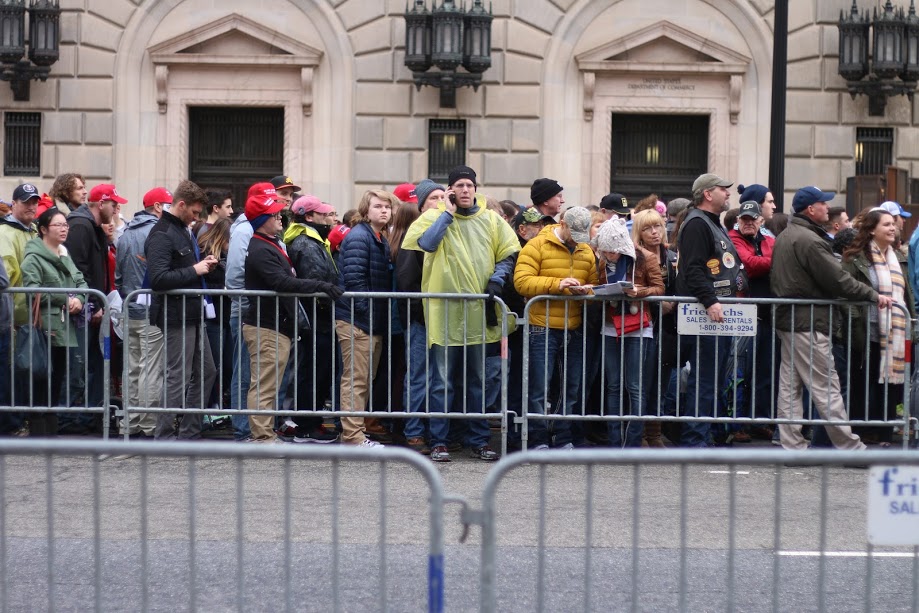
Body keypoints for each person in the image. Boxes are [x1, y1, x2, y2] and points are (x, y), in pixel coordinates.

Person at [402, 165, 519, 462]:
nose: (465, 190)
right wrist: (447, 214)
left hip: (478, 313)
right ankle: (439, 440)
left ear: (476, 189)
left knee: (478, 382)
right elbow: (426, 244)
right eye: (459, 186)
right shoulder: (433, 217)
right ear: (451, 190)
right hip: (443, 314)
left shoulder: (491, 219)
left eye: (469, 185)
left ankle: (479, 440)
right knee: (442, 382)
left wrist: (497, 279)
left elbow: (508, 254)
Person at [770, 186, 884, 451]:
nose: (828, 208)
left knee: (790, 386)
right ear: (811, 209)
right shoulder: (810, 240)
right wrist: (873, 294)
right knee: (826, 387)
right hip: (808, 322)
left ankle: (792, 446)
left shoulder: (788, 235)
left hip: (791, 320)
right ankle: (851, 449)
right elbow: (838, 280)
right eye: (824, 203)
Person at [243, 191, 343, 443]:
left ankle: (265, 435)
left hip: (277, 324)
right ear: (261, 220)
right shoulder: (260, 247)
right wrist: (320, 286)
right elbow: (281, 282)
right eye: (273, 214)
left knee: (270, 384)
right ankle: (262, 437)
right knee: (265, 385)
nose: (280, 217)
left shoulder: (271, 243)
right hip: (266, 325)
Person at [513, 206, 597, 450]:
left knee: (570, 387)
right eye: (574, 234)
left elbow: (595, 283)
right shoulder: (537, 245)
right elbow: (521, 282)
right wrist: (557, 284)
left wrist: (587, 290)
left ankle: (562, 437)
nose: (578, 241)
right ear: (563, 224)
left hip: (573, 326)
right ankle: (537, 438)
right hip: (542, 326)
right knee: (539, 387)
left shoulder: (585, 250)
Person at [674, 173, 747, 447]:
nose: (728, 193)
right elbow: (693, 269)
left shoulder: (711, 222)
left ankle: (703, 435)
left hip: (717, 314)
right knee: (704, 379)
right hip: (707, 314)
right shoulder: (697, 224)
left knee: (712, 379)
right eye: (722, 189)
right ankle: (695, 439)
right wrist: (710, 300)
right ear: (707, 194)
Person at [145, 180, 218, 440]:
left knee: (207, 371)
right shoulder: (162, 233)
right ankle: (164, 436)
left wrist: (201, 266)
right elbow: (158, 279)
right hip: (177, 315)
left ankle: (188, 433)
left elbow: (175, 271)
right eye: (195, 212)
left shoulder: (179, 230)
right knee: (178, 375)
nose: (197, 217)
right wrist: (195, 270)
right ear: (182, 205)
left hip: (191, 312)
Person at [841, 208, 913, 447]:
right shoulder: (855, 257)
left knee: (891, 385)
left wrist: (913, 325)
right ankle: (862, 431)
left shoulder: (899, 257)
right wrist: (853, 320)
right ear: (872, 230)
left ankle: (884, 433)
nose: (893, 228)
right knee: (863, 383)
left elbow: (907, 295)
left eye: (893, 224)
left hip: (896, 331)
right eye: (886, 224)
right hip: (865, 331)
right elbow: (846, 291)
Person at [596, 217, 664, 447]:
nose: (610, 255)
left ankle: (633, 441)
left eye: (614, 251)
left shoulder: (646, 257)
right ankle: (615, 441)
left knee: (635, 386)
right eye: (606, 251)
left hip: (638, 326)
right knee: (613, 385)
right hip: (610, 325)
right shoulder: (602, 261)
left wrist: (639, 291)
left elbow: (660, 288)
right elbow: (597, 283)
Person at [19, 209, 88, 436]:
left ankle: (50, 432)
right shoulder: (33, 257)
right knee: (42, 379)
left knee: (57, 379)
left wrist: (79, 299)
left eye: (65, 224)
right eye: (58, 225)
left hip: (64, 326)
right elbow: (32, 290)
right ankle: (39, 432)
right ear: (43, 229)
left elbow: (81, 282)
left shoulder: (64, 253)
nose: (64, 228)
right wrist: (65, 298)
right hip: (44, 327)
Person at [334, 190, 394, 447]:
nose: (384, 210)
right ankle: (353, 436)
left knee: (362, 380)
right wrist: (367, 314)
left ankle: (354, 433)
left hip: (368, 321)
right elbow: (355, 280)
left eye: (387, 207)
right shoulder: (360, 237)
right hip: (357, 321)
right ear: (366, 211)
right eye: (378, 206)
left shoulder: (378, 237)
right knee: (356, 380)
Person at [281, 194, 342, 443]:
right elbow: (317, 280)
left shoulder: (312, 239)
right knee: (314, 371)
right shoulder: (305, 243)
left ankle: (311, 422)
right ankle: (308, 425)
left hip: (319, 317)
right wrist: (328, 302)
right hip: (316, 317)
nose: (329, 219)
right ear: (309, 216)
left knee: (318, 370)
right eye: (324, 214)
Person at [65, 183, 123, 427]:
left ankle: (88, 415)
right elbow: (78, 268)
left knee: (95, 363)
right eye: (113, 204)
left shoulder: (92, 226)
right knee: (78, 365)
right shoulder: (81, 225)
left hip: (93, 306)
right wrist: (93, 303)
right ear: (101, 204)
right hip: (83, 309)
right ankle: (69, 418)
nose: (117, 208)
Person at [116, 187, 171, 438]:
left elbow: (118, 278)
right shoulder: (157, 232)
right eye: (168, 204)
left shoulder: (126, 233)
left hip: (130, 309)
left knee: (132, 370)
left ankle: (130, 423)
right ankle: (148, 426)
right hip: (150, 312)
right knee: (150, 369)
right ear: (158, 206)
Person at [225, 182, 278, 441]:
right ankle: (243, 429)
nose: (283, 202)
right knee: (245, 372)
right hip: (248, 312)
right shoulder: (245, 230)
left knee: (258, 373)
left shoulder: (265, 228)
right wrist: (249, 305)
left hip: (263, 313)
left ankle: (257, 428)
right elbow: (235, 275)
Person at [631, 209, 677, 447]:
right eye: (647, 228)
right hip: (642, 323)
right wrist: (659, 303)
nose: (654, 232)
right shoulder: (634, 256)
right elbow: (632, 288)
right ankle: (638, 434)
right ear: (639, 232)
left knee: (661, 382)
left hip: (668, 327)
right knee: (641, 382)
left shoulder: (672, 255)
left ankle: (654, 434)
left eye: (657, 226)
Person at [0, 184, 39, 434]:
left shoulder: (33, 230)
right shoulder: (5, 233)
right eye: (26, 202)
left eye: (34, 202)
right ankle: (12, 423)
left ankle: (21, 420)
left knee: (25, 371)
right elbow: (6, 278)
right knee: (12, 372)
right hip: (14, 318)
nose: (32, 206)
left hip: (32, 318)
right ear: (14, 204)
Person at [198, 217, 232, 410]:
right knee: (213, 365)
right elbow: (204, 282)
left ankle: (218, 401)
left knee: (228, 364)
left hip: (226, 315)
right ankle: (210, 404)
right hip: (213, 316)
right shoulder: (206, 253)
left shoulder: (229, 255)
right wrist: (223, 287)